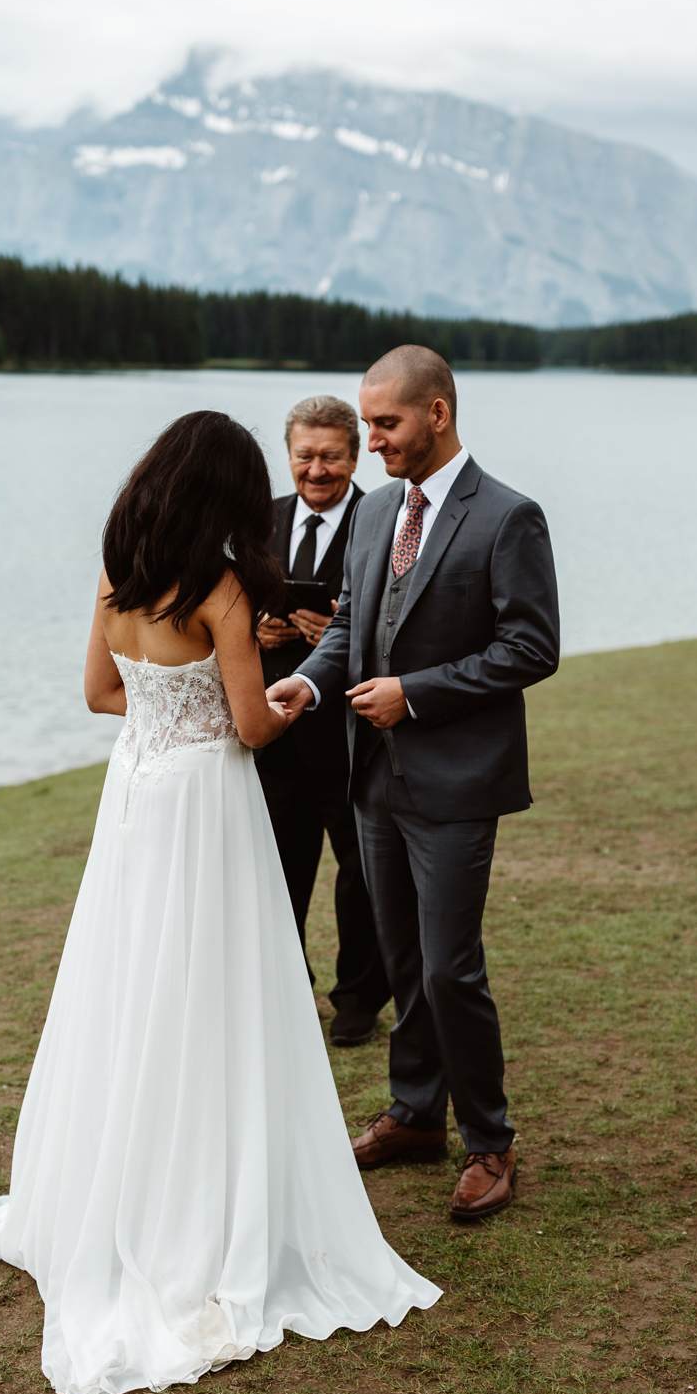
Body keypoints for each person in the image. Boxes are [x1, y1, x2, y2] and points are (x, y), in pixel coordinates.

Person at [0, 411, 439, 1394]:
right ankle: (205, 1206)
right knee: (210, 989)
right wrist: (273, 669)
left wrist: (171, 695)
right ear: (225, 494)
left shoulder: (115, 571)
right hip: (205, 803)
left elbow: (100, 693)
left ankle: (106, 1189)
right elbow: (252, 729)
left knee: (129, 981)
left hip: (135, 793)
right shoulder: (223, 588)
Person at [269, 349, 559, 1224]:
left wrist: (416, 694)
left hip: (457, 784)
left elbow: (531, 648)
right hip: (373, 782)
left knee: (450, 965)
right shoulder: (377, 512)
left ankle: (491, 1142)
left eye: (385, 425)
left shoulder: (509, 517)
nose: (371, 442)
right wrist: (312, 683)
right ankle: (414, 1114)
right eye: (366, 425)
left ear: (437, 413)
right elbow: (354, 621)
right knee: (403, 963)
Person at [255, 395, 390, 1046]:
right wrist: (255, 628)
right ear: (289, 457)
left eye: (330, 457)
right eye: (304, 456)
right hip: (274, 732)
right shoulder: (261, 521)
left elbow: (400, 625)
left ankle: (359, 997)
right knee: (276, 868)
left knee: (360, 869)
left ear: (354, 455)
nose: (316, 470)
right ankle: (287, 987)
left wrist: (338, 632)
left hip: (350, 731)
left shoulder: (382, 518)